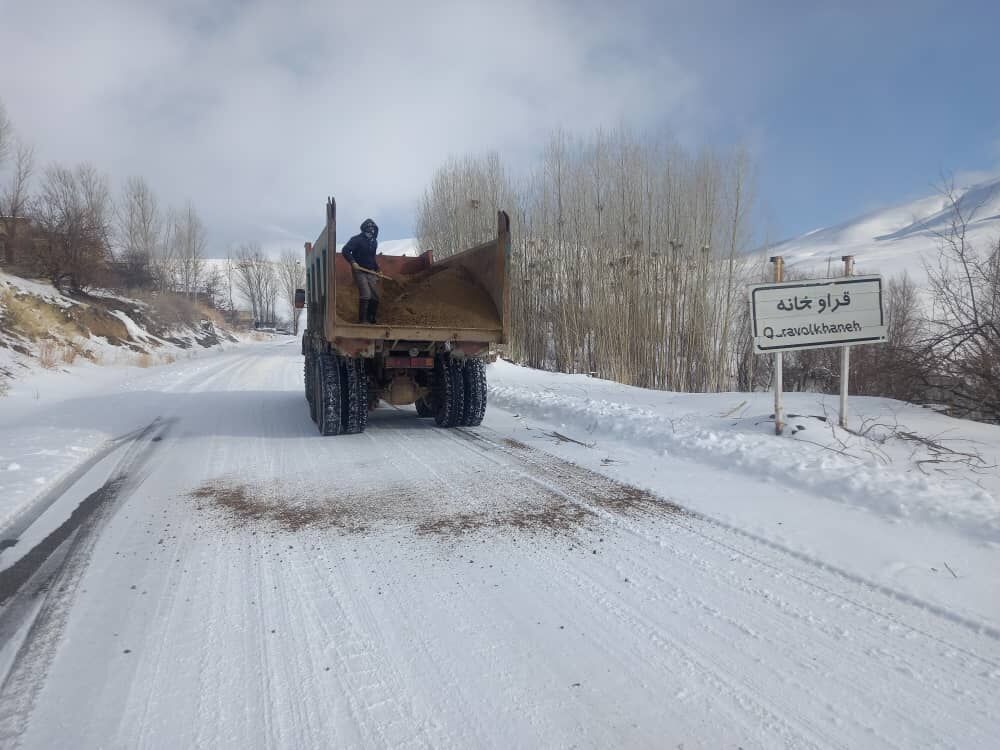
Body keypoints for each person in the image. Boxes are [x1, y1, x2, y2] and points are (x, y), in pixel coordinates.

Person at [341, 218, 380, 324]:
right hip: (359, 270)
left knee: (375, 296)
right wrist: (353, 262)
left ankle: (371, 318)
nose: (371, 231)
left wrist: (377, 269)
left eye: (373, 229)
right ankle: (362, 320)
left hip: (371, 271)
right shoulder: (356, 239)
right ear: (364, 230)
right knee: (366, 294)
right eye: (369, 229)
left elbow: (372, 257)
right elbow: (345, 250)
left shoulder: (374, 242)